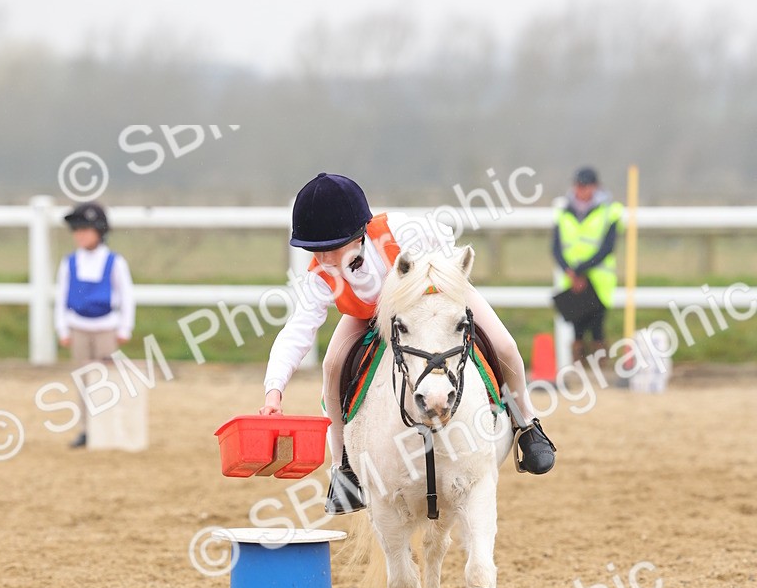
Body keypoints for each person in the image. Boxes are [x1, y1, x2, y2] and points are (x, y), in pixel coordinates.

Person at [260, 173, 556, 512]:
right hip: (370, 313)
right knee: (331, 366)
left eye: (331, 249)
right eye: (316, 252)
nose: (325, 261)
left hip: (430, 298)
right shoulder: (321, 275)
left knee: (504, 346)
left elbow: (445, 244)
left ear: (359, 234)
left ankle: (527, 425)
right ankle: (344, 468)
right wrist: (274, 391)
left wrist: (440, 292)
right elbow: (298, 330)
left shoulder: (400, 231)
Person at [55, 203, 135, 448]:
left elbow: (126, 295)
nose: (80, 235)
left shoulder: (114, 262)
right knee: (82, 379)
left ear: (99, 231)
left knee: (106, 380)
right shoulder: (69, 263)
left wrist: (124, 328)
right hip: (78, 327)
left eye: (86, 230)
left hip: (105, 328)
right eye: (77, 230)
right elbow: (61, 297)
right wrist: (62, 328)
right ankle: (86, 428)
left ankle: (107, 426)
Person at [553, 167, 623, 363]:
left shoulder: (610, 211)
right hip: (573, 278)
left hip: (599, 278)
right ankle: (579, 366)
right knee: (577, 324)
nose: (581, 190)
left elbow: (607, 247)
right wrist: (570, 270)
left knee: (597, 322)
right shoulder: (563, 211)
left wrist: (580, 270)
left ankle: (600, 365)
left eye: (585, 186)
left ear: (595, 187)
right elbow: (556, 246)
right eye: (579, 185)